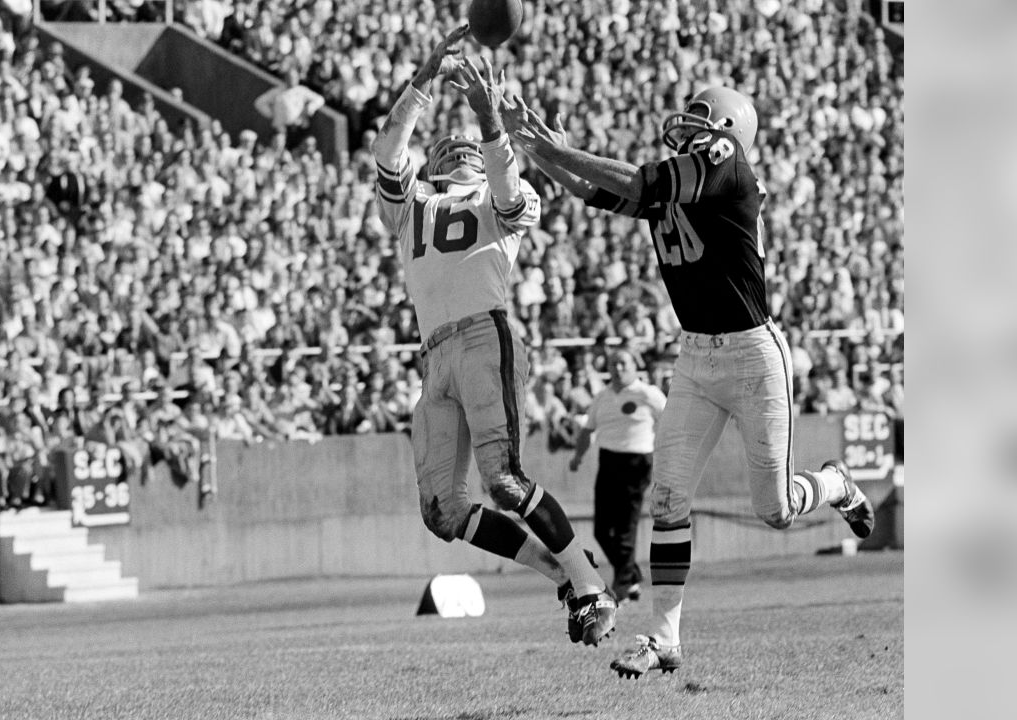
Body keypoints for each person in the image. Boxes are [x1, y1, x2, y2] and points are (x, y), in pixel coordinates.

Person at [509, 86, 876, 677]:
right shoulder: (686, 180)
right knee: (669, 499)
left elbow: (640, 184)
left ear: (729, 129)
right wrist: (537, 146)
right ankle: (662, 637)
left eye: (704, 119)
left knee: (776, 511)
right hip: (695, 359)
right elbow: (594, 190)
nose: (689, 126)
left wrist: (561, 146)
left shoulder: (728, 163)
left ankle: (833, 482)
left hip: (754, 355)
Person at [370, 25, 616, 648]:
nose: (456, 154)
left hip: (485, 336)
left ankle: (590, 586)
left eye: (469, 148)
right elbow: (386, 154)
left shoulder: (500, 191)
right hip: (435, 355)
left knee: (503, 480)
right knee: (442, 511)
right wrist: (422, 82)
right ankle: (558, 573)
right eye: (450, 148)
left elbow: (508, 193)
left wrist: (489, 123)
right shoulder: (413, 203)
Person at [568, 350, 666, 603]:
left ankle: (621, 587)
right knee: (601, 529)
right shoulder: (601, 397)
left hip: (637, 461)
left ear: (635, 366)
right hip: (609, 461)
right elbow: (587, 430)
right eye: (613, 364)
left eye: (624, 363)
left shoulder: (648, 394)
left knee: (625, 526)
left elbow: (670, 423)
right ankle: (631, 575)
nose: (618, 368)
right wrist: (578, 457)